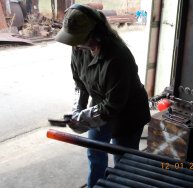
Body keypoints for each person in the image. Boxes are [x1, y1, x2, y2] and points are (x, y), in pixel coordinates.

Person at [54, 4, 151, 188]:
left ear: (95, 34)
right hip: (101, 106)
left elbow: (113, 105)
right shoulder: (79, 48)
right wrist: (78, 110)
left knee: (124, 162)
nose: (75, 44)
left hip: (127, 114)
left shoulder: (117, 57)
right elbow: (80, 84)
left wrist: (82, 120)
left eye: (78, 39)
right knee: (95, 153)